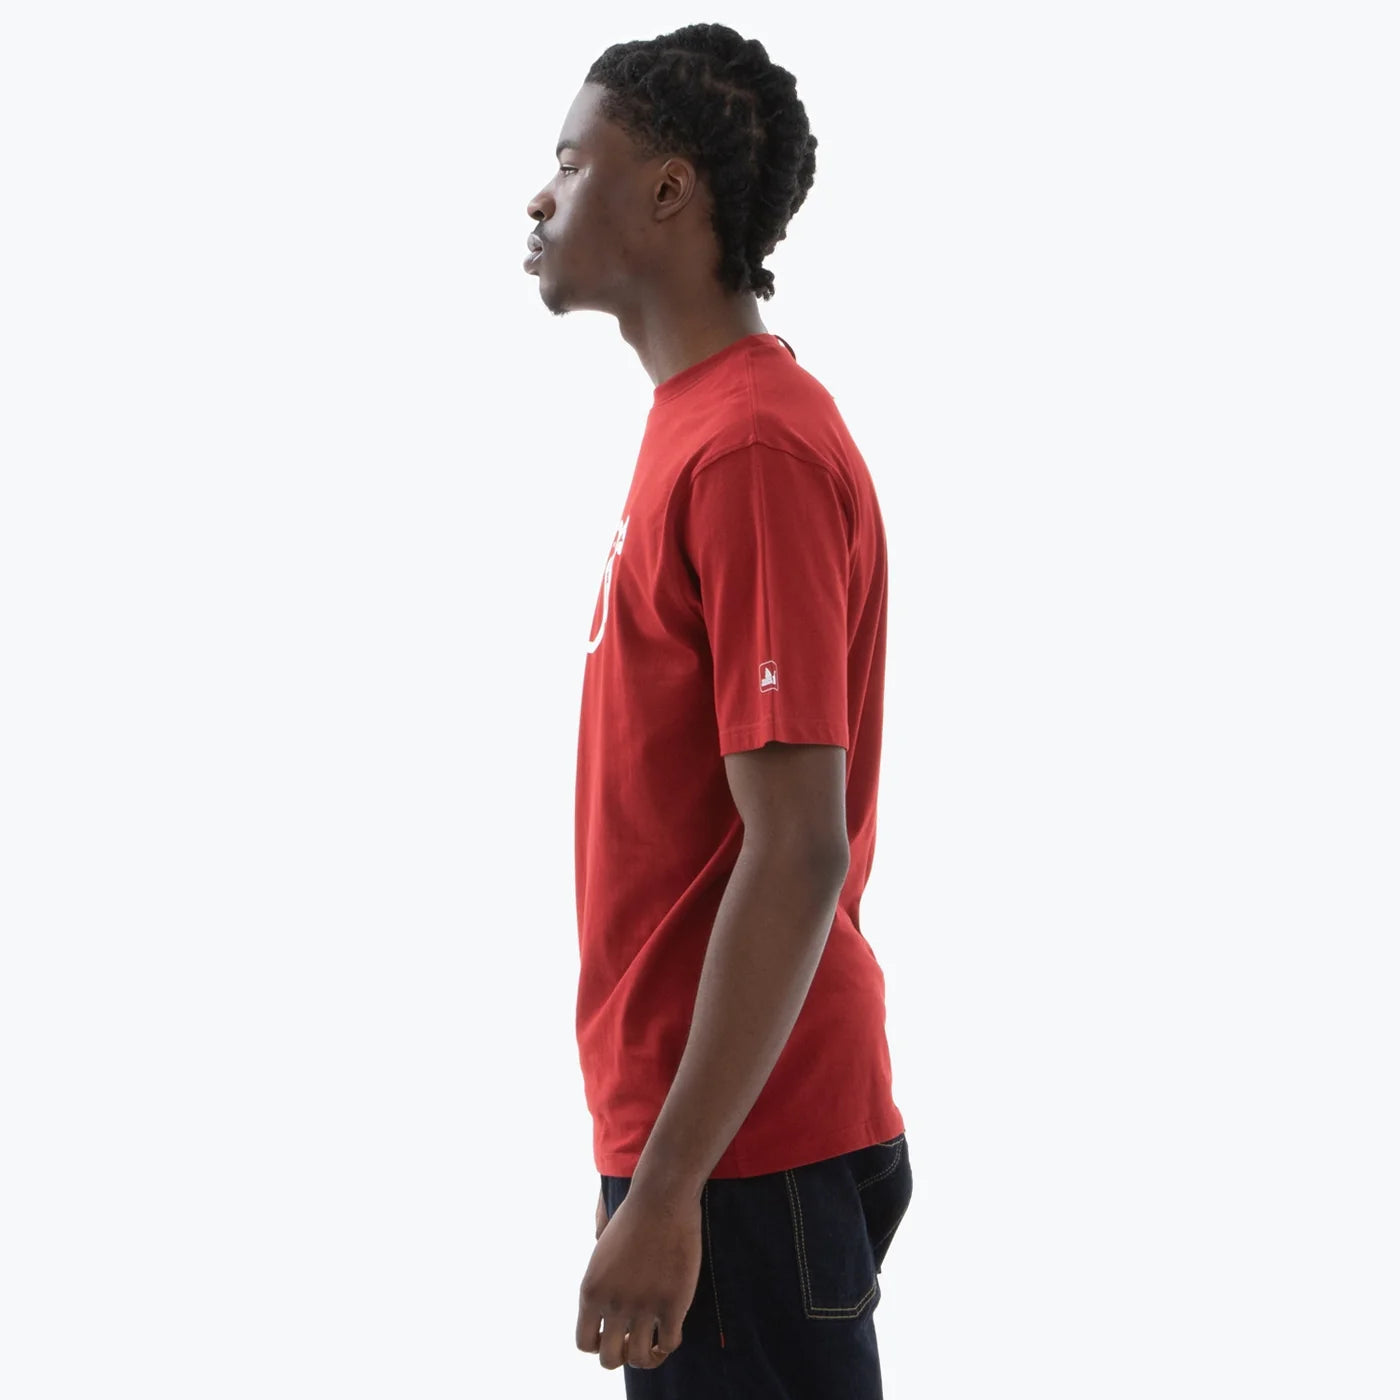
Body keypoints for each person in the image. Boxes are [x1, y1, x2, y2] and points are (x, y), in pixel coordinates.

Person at [523, 23, 913, 1399]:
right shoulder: (700, 424)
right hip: (712, 1134)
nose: (539, 196)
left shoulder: (752, 447)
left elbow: (798, 845)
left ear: (670, 191)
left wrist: (673, 1186)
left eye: (572, 161)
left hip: (747, 1153)